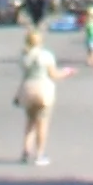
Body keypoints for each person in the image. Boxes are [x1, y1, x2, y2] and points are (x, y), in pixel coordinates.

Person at [16, 33, 61, 169]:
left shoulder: (24, 56)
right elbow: (54, 74)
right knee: (42, 123)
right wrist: (67, 72)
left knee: (30, 122)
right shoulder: (46, 55)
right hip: (42, 89)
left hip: (28, 88)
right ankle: (40, 154)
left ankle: (26, 152)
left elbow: (25, 74)